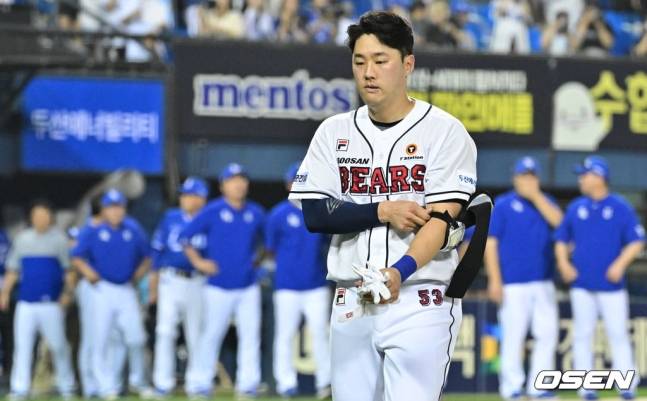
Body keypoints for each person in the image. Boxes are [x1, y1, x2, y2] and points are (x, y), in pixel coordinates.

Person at [289, 11, 477, 401]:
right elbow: (315, 214)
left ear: (407, 65)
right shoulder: (333, 132)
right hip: (352, 297)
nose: (368, 72)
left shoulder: (444, 131)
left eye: (380, 60)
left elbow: (441, 220)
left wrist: (400, 271)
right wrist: (382, 210)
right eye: (359, 62)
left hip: (419, 296)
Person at [555, 156, 644, 401]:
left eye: (585, 175)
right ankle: (586, 388)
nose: (581, 179)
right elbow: (561, 239)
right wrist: (564, 263)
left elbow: (637, 240)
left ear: (599, 177)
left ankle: (627, 387)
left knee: (618, 334)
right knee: (582, 335)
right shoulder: (576, 207)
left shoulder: (620, 206)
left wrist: (620, 263)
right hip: (582, 284)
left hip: (612, 286)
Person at [182, 163, 265, 399]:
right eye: (232, 180)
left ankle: (248, 384)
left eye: (242, 180)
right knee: (210, 335)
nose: (239, 184)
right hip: (217, 286)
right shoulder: (212, 210)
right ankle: (199, 383)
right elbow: (185, 237)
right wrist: (199, 262)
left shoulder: (255, 212)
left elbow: (267, 243)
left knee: (250, 336)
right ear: (223, 186)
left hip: (248, 285)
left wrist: (258, 260)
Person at [484, 156, 563, 400]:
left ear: (537, 179)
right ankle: (512, 389)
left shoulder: (546, 202)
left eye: (531, 176)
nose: (526, 181)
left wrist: (537, 196)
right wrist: (494, 279)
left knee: (547, 335)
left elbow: (561, 224)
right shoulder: (503, 204)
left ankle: (539, 388)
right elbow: (490, 244)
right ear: (515, 178)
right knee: (512, 336)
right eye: (522, 176)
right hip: (512, 283)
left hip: (544, 281)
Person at [71, 189, 153, 400]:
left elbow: (147, 256)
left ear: (124, 208)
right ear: (104, 210)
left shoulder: (133, 229)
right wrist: (89, 273)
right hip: (102, 289)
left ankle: (138, 381)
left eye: (119, 207)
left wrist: (138, 275)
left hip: (125, 288)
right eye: (111, 207)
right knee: (100, 339)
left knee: (136, 337)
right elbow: (77, 256)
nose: (116, 211)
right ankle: (105, 386)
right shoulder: (93, 230)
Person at [265, 163, 331, 399]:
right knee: (285, 334)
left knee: (321, 334)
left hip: (316, 285)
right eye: (295, 180)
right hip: (287, 286)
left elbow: (328, 246)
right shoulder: (278, 214)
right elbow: (270, 250)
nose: (299, 184)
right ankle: (285, 383)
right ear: (288, 184)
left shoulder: (321, 211)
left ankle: (325, 382)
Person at [0, 200, 76, 400]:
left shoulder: (59, 240)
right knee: (22, 347)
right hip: (26, 302)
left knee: (59, 346)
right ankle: (20, 388)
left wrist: (67, 294)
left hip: (51, 303)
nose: (40, 219)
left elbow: (69, 271)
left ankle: (67, 386)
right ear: (31, 218)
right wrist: (5, 293)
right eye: (36, 215)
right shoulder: (23, 239)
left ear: (50, 218)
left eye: (44, 215)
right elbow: (13, 269)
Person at [150, 177, 212, 397]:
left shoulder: (209, 219)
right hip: (171, 279)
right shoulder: (171, 217)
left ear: (202, 198)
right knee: (165, 331)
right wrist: (153, 286)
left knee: (196, 334)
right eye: (184, 195)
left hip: (198, 281)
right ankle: (162, 383)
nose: (185, 199)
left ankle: (196, 383)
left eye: (191, 195)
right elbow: (156, 252)